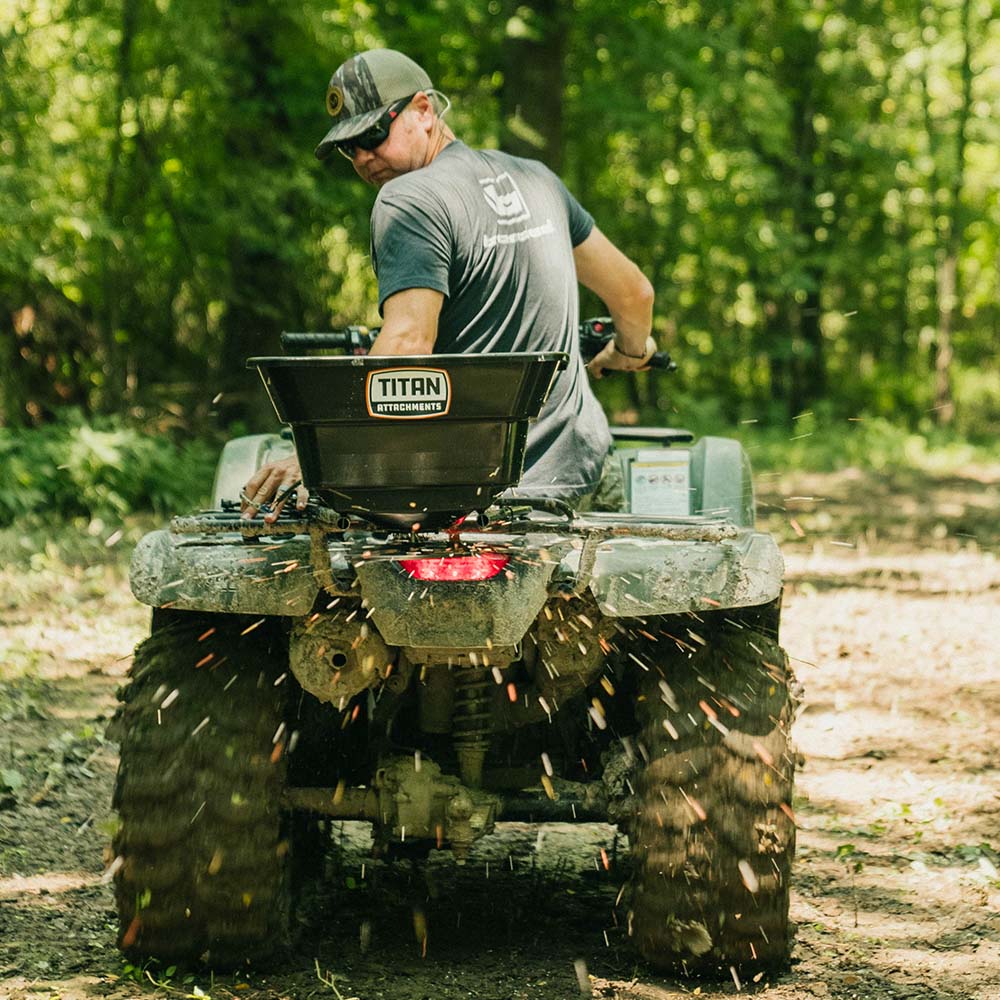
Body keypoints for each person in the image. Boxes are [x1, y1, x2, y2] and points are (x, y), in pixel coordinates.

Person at [242, 48, 655, 522]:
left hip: (469, 503)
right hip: (581, 479)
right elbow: (634, 294)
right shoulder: (536, 180)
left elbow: (406, 343)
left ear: (424, 109)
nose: (363, 156)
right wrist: (629, 351)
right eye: (347, 146)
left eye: (374, 133)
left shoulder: (408, 199)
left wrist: (319, 456)